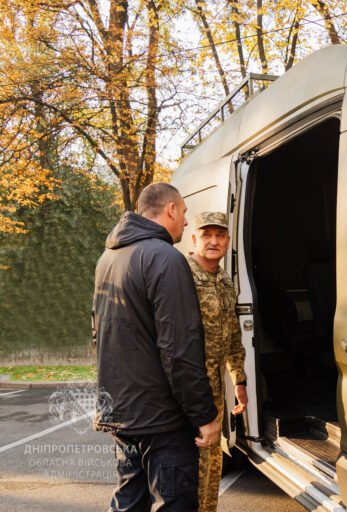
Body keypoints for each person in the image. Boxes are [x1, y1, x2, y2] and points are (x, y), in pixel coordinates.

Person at [92, 183, 219, 512]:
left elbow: (98, 334)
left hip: (122, 413)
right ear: (171, 209)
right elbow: (180, 349)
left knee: (129, 501)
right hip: (163, 421)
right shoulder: (166, 259)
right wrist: (205, 415)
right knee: (173, 503)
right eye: (185, 213)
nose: (186, 222)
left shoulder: (108, 258)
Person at [187, 212, 248, 512]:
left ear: (227, 240)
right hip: (189, 391)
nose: (214, 241)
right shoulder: (182, 276)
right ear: (194, 239)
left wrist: (240, 382)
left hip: (216, 392)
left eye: (220, 235)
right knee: (189, 469)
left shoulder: (225, 281)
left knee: (212, 463)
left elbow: (233, 336)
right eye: (206, 234)